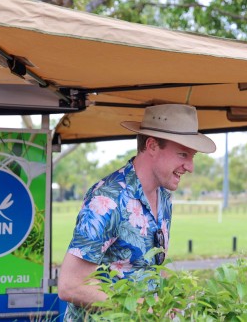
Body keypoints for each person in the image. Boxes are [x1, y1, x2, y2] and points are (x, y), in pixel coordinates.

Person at [57, 104, 216, 321]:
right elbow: (71, 285)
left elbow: (145, 267)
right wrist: (144, 307)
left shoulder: (164, 197)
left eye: (192, 156)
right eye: (182, 154)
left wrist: (178, 294)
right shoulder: (108, 199)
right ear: (151, 145)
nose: (190, 166)